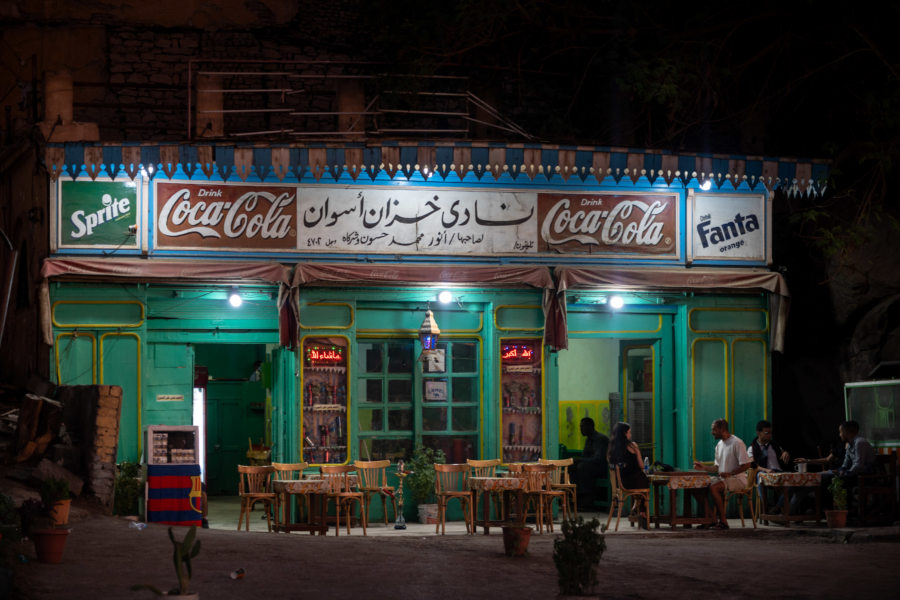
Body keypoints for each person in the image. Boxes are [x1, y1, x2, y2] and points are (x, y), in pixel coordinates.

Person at [693, 418, 752, 529]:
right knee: (695, 487)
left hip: (738, 479)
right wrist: (703, 467)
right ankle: (711, 519)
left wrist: (730, 473)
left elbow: (746, 465)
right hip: (723, 479)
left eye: (714, 430)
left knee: (714, 488)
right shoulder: (719, 445)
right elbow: (716, 468)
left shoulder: (737, 442)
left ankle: (723, 521)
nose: (712, 433)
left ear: (721, 429)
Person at [607, 421, 650, 529]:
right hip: (634, 481)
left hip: (620, 483)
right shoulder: (633, 445)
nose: (630, 435)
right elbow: (641, 465)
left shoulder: (611, 449)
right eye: (629, 432)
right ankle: (641, 509)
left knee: (642, 481)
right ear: (624, 433)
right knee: (645, 479)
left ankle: (637, 505)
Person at [748, 420, 793, 513]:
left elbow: (783, 452)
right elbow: (753, 465)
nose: (769, 435)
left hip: (778, 472)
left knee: (793, 482)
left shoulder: (774, 445)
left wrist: (785, 453)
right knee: (760, 474)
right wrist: (767, 470)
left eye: (770, 433)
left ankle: (777, 508)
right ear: (758, 433)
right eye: (766, 433)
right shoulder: (752, 448)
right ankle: (766, 507)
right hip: (765, 473)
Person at [573, 417, 609, 509]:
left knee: (582, 467)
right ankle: (574, 495)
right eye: (580, 427)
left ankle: (587, 497)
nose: (581, 429)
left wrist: (581, 460)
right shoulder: (588, 440)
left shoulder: (600, 439)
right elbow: (585, 456)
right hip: (590, 466)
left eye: (583, 426)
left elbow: (598, 459)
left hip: (602, 468)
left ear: (590, 427)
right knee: (572, 466)